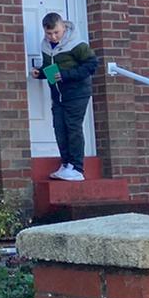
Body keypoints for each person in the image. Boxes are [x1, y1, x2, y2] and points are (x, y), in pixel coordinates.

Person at [32, 12, 100, 182]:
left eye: (56, 32)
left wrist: (65, 75)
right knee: (59, 128)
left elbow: (92, 65)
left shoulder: (77, 44)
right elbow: (51, 70)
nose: (53, 37)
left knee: (73, 127)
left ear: (63, 27)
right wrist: (40, 73)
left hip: (77, 93)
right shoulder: (45, 46)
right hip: (58, 95)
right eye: (49, 33)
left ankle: (77, 168)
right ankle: (66, 164)